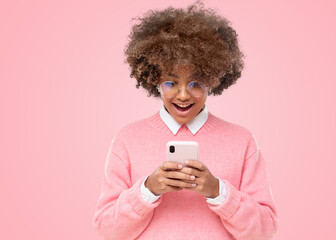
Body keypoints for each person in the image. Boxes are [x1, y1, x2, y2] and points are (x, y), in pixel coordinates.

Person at [93, 1, 278, 239]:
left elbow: (265, 231)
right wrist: (148, 190)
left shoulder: (242, 141)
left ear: (214, 79)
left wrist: (218, 191)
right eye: (171, 83)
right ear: (153, 79)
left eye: (196, 83)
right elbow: (106, 230)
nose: (183, 95)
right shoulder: (127, 139)